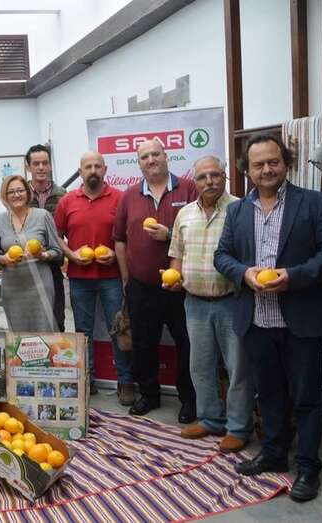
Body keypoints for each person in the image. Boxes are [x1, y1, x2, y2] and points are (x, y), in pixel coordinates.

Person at [214, 134, 322, 502]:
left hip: (301, 319)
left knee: (305, 398)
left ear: (285, 163)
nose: (267, 169)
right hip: (256, 320)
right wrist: (244, 273)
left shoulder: (313, 203)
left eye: (273, 161)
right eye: (258, 164)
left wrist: (294, 277)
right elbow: (223, 256)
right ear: (247, 170)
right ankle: (273, 454)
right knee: (268, 393)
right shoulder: (238, 211)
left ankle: (308, 467)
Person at [166, 155, 253, 453]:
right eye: (202, 177)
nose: (209, 181)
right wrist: (173, 276)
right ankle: (211, 419)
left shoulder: (241, 209)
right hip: (194, 302)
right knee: (200, 366)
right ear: (195, 180)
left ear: (225, 176)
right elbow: (176, 254)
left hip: (232, 301)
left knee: (237, 367)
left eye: (215, 175)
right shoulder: (185, 214)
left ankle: (239, 427)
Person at [113, 139, 197, 423]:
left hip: (182, 287)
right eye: (144, 156)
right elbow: (119, 240)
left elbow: (200, 234)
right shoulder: (129, 196)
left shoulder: (189, 188)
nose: (151, 160)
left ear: (166, 156)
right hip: (141, 286)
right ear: (139, 163)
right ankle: (149, 394)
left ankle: (188, 399)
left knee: (187, 343)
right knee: (144, 344)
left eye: (155, 154)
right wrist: (126, 277)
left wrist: (171, 234)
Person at [54, 151, 132, 402]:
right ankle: (87, 380)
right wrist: (71, 255)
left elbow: (129, 234)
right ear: (80, 171)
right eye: (88, 166)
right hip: (79, 277)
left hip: (111, 276)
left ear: (105, 170)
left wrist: (116, 252)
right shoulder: (67, 201)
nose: (93, 171)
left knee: (118, 329)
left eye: (98, 166)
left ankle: (126, 381)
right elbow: (56, 236)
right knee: (83, 331)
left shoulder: (120, 198)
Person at [0, 175, 62, 331]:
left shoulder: (42, 216)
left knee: (44, 332)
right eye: (11, 192)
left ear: (27, 192)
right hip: (12, 287)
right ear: (5, 196)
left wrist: (43, 255)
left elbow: (57, 251)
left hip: (40, 285)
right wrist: (3, 259)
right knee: (18, 335)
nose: (16, 195)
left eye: (20, 190)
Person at [26, 144, 67, 332]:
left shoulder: (62, 195)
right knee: (31, 320)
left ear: (50, 166)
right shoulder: (20, 194)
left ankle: (58, 360)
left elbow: (68, 229)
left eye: (45, 163)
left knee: (56, 318)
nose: (41, 167)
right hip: (27, 266)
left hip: (53, 265)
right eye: (36, 164)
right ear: (29, 167)